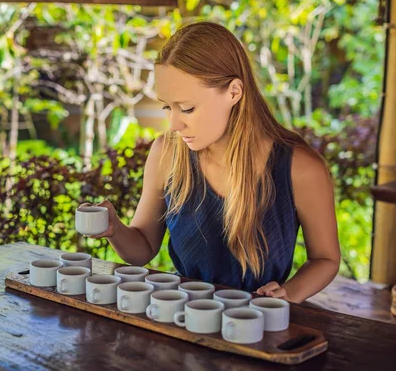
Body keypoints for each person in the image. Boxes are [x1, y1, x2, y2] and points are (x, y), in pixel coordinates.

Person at [79, 21, 340, 303]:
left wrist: (288, 293)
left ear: (234, 92)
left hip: (256, 321)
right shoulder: (167, 153)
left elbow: (325, 258)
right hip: (183, 316)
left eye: (187, 108)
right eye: (167, 106)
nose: (174, 123)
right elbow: (143, 248)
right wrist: (114, 228)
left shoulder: (299, 168)